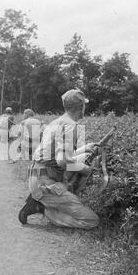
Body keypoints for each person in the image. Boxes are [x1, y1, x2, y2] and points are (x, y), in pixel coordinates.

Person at [18, 89, 100, 229]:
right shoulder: (70, 126)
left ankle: (44, 202)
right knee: (91, 221)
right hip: (46, 183)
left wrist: (86, 148)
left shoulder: (56, 122)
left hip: (38, 177)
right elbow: (62, 161)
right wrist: (86, 169)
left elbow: (55, 155)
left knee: (83, 157)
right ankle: (42, 208)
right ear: (81, 107)